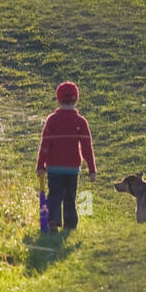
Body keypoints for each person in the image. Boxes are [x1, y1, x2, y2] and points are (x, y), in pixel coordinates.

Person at [36, 80, 96, 230]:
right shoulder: (81, 121)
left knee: (55, 195)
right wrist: (92, 169)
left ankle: (53, 222)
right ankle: (70, 224)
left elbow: (45, 145)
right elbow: (87, 147)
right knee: (70, 197)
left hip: (54, 167)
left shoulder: (52, 120)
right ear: (76, 99)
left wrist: (40, 165)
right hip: (72, 168)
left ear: (58, 99)